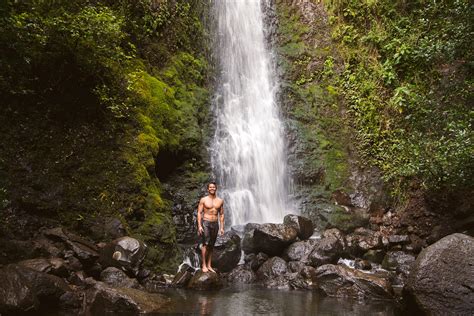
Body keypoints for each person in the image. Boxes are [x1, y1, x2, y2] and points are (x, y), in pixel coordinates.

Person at [197, 181, 224, 273]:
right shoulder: (203, 200)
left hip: (215, 224)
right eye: (210, 187)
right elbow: (199, 213)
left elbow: (222, 214)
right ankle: (203, 265)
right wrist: (200, 226)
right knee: (205, 244)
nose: (212, 188)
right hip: (206, 223)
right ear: (208, 189)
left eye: (213, 187)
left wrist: (222, 227)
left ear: (216, 188)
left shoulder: (220, 201)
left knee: (212, 245)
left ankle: (209, 265)